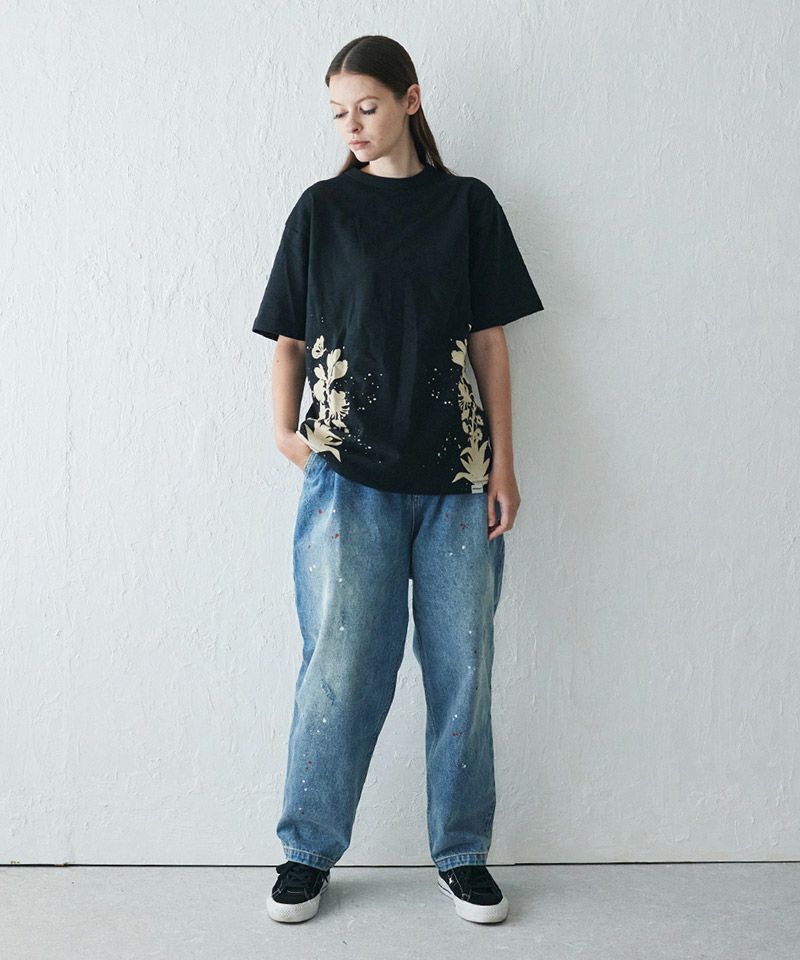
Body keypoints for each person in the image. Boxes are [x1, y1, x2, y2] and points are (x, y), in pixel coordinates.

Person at [252, 35, 544, 925]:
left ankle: (462, 853)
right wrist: (286, 437)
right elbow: (288, 341)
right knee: (340, 668)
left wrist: (503, 462)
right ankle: (307, 852)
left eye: (368, 107)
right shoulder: (322, 211)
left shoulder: (467, 206)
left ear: (411, 99)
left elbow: (490, 340)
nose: (353, 126)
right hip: (348, 482)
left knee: (464, 669)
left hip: (458, 478)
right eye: (339, 113)